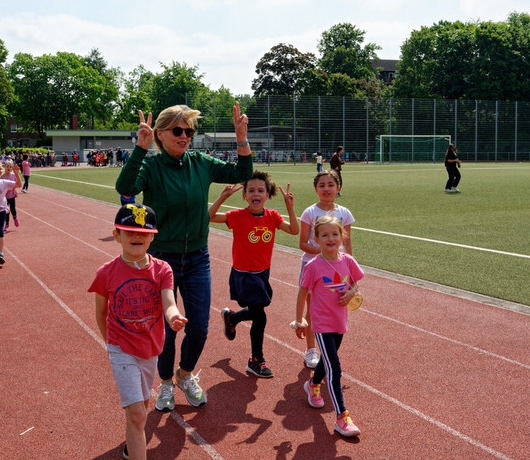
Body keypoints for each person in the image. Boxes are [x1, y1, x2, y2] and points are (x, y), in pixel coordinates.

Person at [115, 103, 253, 411]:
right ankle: (165, 383)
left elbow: (243, 173)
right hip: (162, 260)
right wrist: (140, 148)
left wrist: (241, 138)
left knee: (200, 327)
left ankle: (185, 374)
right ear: (161, 134)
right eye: (177, 130)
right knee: (165, 328)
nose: (184, 136)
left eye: (189, 131)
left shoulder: (200, 162)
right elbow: (125, 187)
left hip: (197, 260)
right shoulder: (151, 166)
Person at [89, 203, 187, 460]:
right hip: (121, 348)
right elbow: (101, 312)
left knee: (142, 407)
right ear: (116, 235)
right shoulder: (106, 273)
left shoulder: (162, 269)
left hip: (151, 346)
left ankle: (131, 441)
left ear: (153, 236)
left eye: (144, 232)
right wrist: (110, 344)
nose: (137, 236)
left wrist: (174, 316)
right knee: (137, 414)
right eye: (129, 231)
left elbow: (168, 301)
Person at [209, 170, 299, 379]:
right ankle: (256, 360)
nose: (255, 194)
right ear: (245, 195)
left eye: (260, 190)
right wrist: (223, 197)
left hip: (262, 274)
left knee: (257, 311)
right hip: (243, 275)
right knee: (260, 316)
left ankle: (233, 317)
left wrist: (290, 208)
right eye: (251, 190)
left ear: (268, 194)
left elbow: (294, 230)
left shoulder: (273, 216)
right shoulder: (237, 216)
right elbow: (209, 217)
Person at [294, 214, 364, 438]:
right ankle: (341, 416)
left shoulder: (347, 261)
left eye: (335, 234)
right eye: (325, 235)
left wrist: (352, 291)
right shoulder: (313, 266)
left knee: (327, 359)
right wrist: (299, 320)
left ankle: (313, 383)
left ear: (342, 236)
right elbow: (303, 293)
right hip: (321, 323)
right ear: (316, 239)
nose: (331, 238)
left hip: (340, 321)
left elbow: (355, 283)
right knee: (335, 367)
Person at [298, 170, 354, 369]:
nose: (326, 189)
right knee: (314, 310)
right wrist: (322, 252)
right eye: (321, 185)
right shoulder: (310, 212)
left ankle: (327, 350)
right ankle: (311, 350)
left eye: (330, 185)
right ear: (316, 189)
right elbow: (303, 243)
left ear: (338, 188)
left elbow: (347, 244)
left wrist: (350, 269)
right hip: (314, 267)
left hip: (337, 269)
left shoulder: (344, 213)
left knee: (334, 308)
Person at [2, 161, 20, 231]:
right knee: (6, 211)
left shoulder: (13, 175)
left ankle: (15, 218)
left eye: (10, 167)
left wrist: (14, 189)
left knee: (13, 209)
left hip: (11, 195)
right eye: (7, 166)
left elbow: (17, 183)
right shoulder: (2, 177)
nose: (8, 168)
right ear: (4, 167)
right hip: (4, 197)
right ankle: (7, 225)